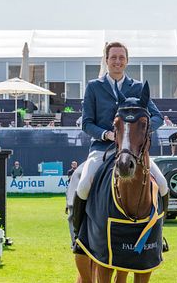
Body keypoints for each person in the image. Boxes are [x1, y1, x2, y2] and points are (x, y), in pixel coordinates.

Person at [70, 42, 169, 236]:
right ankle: (79, 235)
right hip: (102, 149)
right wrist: (106, 134)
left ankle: (158, 235)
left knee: (163, 184)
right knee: (83, 186)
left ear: (127, 61)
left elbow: (157, 117)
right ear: (106, 60)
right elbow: (86, 123)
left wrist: (142, 131)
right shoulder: (94, 87)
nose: (117, 61)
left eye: (121, 57)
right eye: (113, 57)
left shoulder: (139, 87)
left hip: (134, 152)